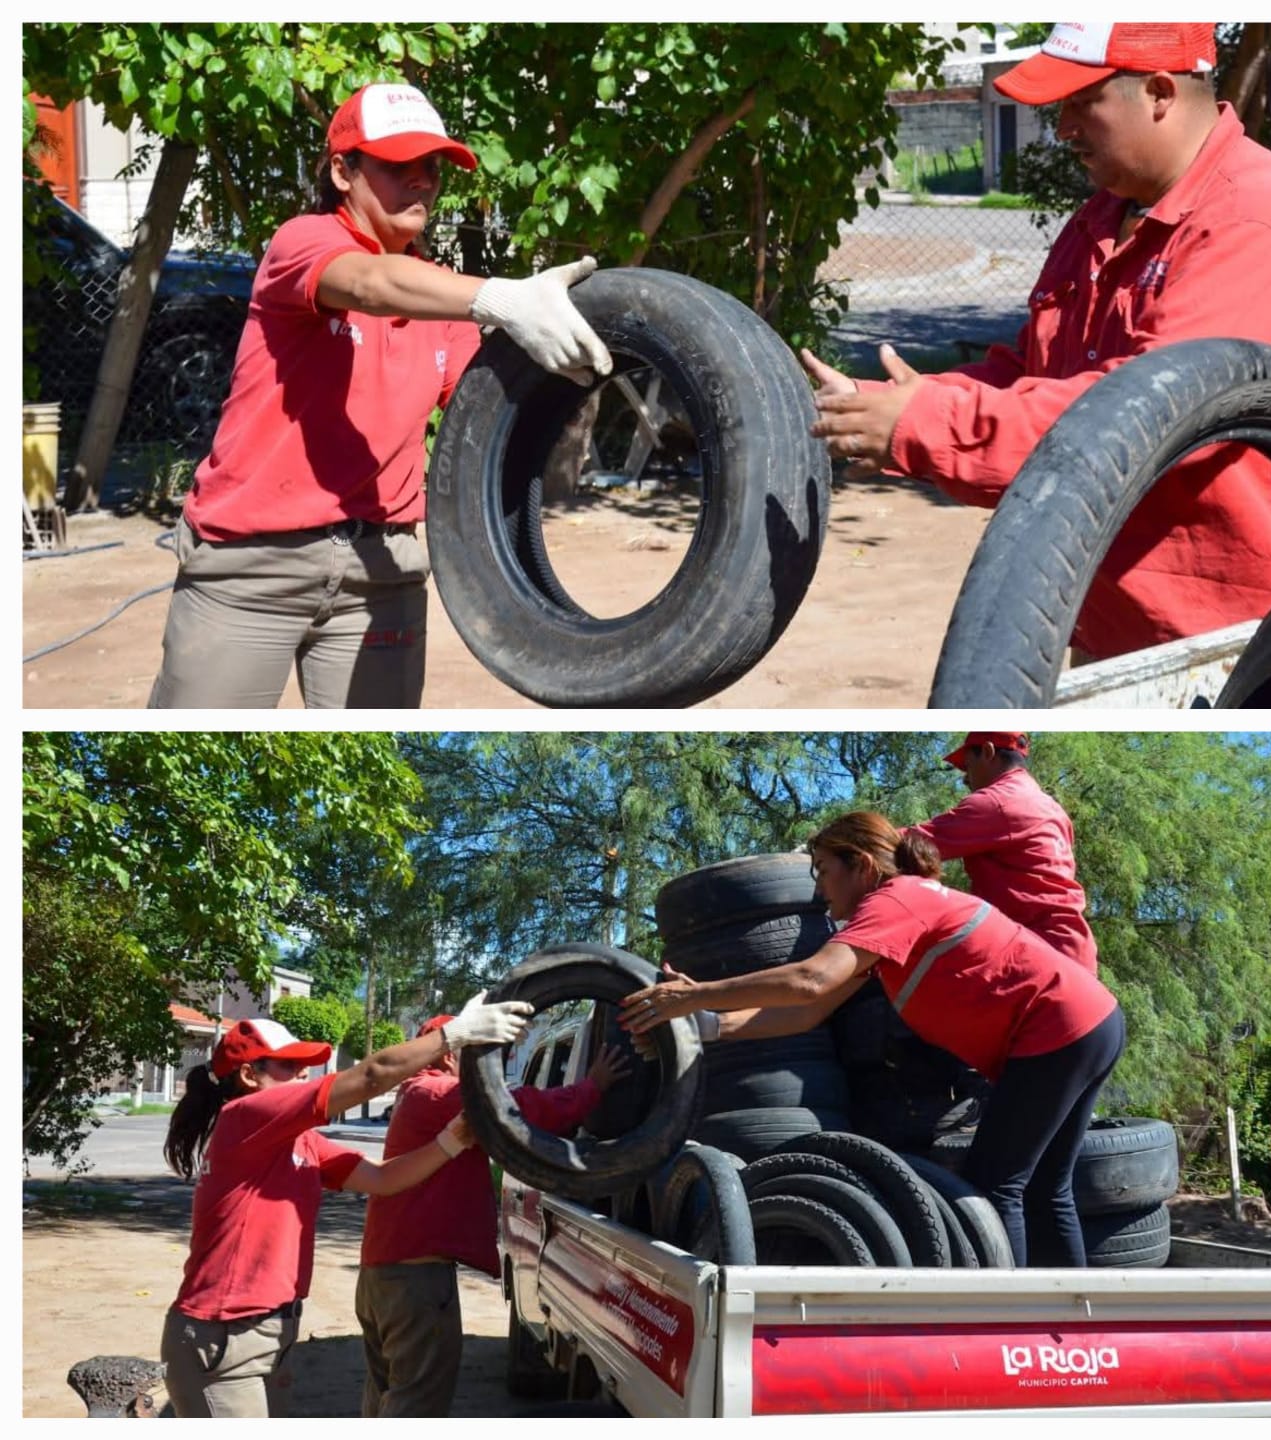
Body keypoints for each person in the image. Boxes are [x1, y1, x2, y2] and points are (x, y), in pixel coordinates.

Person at [802, 23, 1271, 661]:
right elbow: (1032, 373)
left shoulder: (1252, 221)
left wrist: (925, 425)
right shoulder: (1103, 219)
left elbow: (1144, 421)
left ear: (1159, 92)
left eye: (1083, 102)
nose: (1063, 128)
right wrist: (873, 404)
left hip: (1250, 647)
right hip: (1113, 625)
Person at [149, 81, 613, 710]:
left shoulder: (444, 303)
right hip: (251, 564)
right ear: (343, 172)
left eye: (433, 168)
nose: (422, 181)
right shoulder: (303, 243)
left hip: (383, 570)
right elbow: (368, 282)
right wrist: (502, 297)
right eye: (399, 165)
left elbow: (488, 419)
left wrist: (592, 360)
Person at [620, 812, 1125, 1268]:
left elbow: (810, 979)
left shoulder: (894, 900)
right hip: (1089, 1022)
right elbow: (810, 1010)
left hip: (1057, 1028)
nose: (819, 888)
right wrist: (707, 1025)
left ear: (861, 865)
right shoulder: (898, 913)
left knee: (996, 1184)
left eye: (823, 869)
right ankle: (1071, 1323)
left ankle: (1010, 1324)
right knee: (1044, 1187)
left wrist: (691, 995)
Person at [159, 994, 532, 1417]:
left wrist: (452, 1140)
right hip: (221, 1337)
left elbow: (383, 1179)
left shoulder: (299, 1141)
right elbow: (370, 1076)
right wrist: (456, 1034)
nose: (304, 1073)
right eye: (289, 1066)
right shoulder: (244, 1117)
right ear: (248, 1075)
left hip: (264, 1335)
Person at [355, 1017, 632, 1417]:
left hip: (386, 1274)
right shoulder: (440, 1093)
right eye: (479, 1053)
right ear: (449, 1055)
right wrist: (592, 1087)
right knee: (416, 1404)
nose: (487, 1066)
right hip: (415, 1282)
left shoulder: (415, 1093)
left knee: (387, 1394)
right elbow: (519, 1111)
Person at [903, 731, 1097, 973]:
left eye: (968, 766)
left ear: (988, 751)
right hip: (1074, 953)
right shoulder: (1053, 809)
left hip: (1039, 956)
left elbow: (908, 843)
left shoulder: (998, 802)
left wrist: (859, 835)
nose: (965, 779)